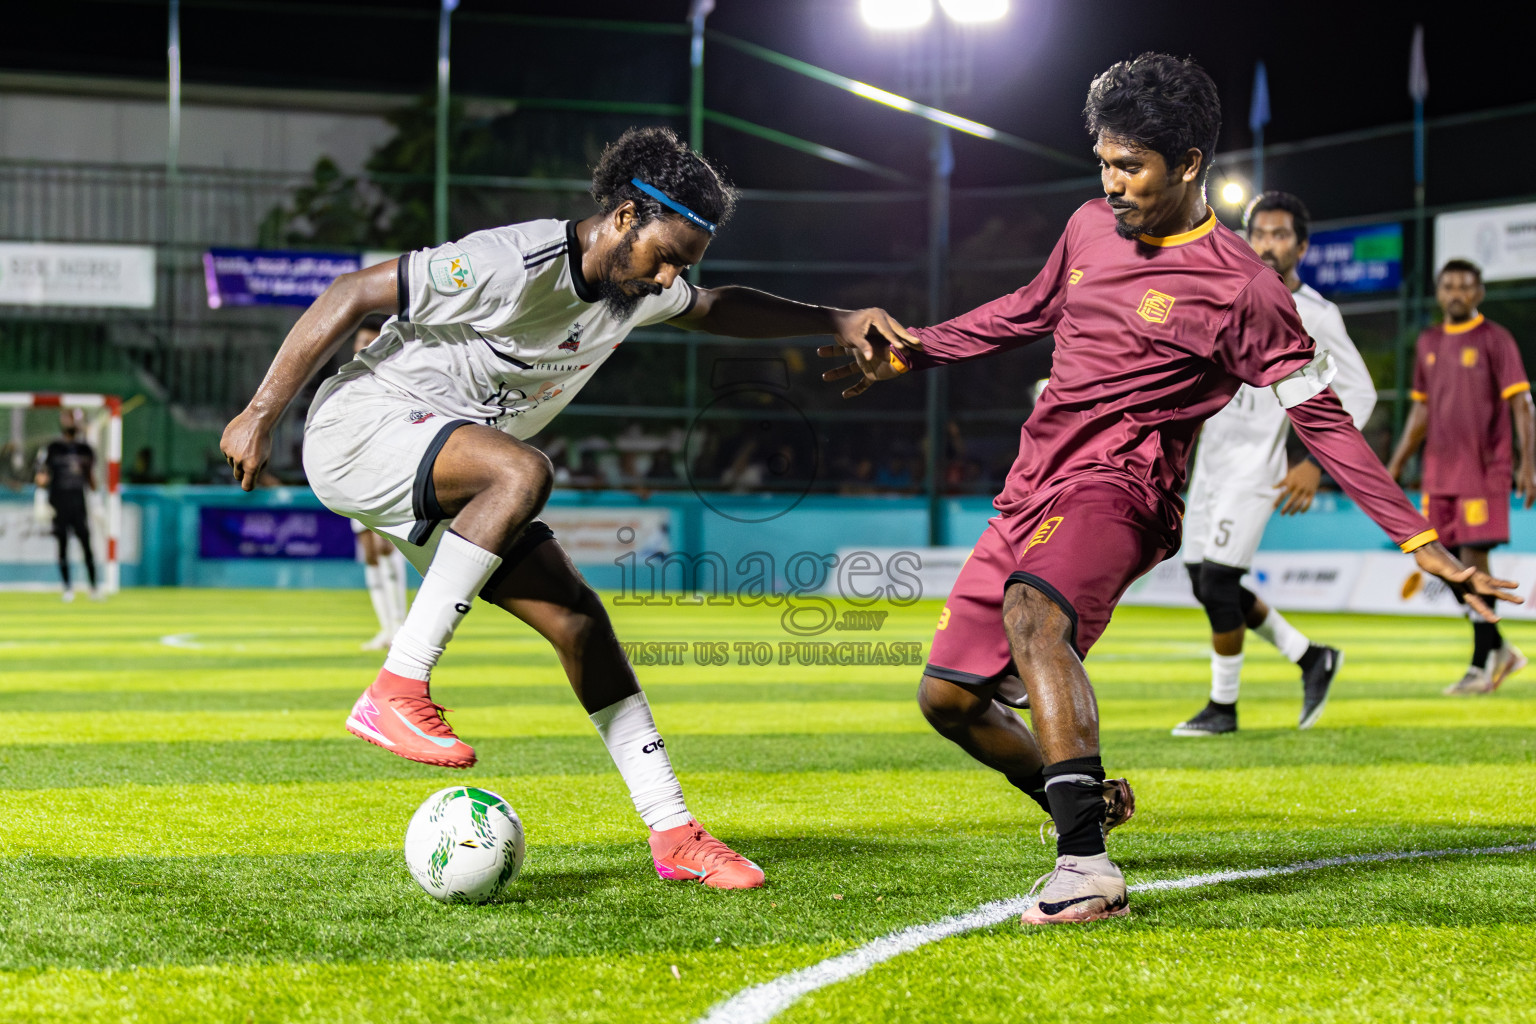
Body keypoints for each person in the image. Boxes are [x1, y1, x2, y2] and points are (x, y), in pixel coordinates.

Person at [821, 53, 1519, 926]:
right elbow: (1027, 311)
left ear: (1189, 164)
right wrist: (918, 347)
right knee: (949, 700)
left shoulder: (1245, 290)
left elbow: (1328, 424)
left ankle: (1087, 869)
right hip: (1035, 481)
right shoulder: (1086, 227)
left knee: (1034, 619)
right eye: (1104, 163)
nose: (1110, 184)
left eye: (1131, 167)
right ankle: (1080, 803)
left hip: (1126, 486)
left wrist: (1422, 543)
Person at [221, 126, 913, 891]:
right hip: (361, 427)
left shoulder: (634, 287)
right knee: (521, 472)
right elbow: (352, 291)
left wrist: (834, 318)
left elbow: (715, 306)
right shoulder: (512, 263)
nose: (670, 278)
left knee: (579, 620)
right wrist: (259, 412)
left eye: (683, 263)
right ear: (624, 219)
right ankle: (396, 689)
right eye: (667, 256)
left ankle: (674, 831)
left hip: (445, 461)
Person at [1172, 191, 1376, 737]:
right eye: (1260, 232)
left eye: (1281, 234)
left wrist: (1313, 461)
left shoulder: (1317, 315)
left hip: (1256, 467)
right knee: (1202, 579)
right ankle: (1311, 657)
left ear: (1302, 247)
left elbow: (1361, 394)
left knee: (1217, 582)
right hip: (1210, 466)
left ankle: (1223, 707)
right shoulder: (1227, 297)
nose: (1268, 243)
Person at [1386, 259, 1535, 695]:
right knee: (1445, 564)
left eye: (1465, 287)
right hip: (1439, 474)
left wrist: (1529, 462)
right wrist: (1395, 464)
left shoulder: (1495, 339)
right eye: (1449, 286)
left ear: (1479, 293)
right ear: (1439, 291)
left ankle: (1480, 665)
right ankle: (1501, 649)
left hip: (1483, 471)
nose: (1456, 294)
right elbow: (1421, 409)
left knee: (1474, 563)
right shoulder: (1429, 342)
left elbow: (1523, 402)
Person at [347, 314, 410, 651]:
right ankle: (386, 629)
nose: (365, 347)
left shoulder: (395, 377)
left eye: (371, 342)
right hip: (356, 473)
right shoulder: (346, 381)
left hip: (389, 471)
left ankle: (400, 627)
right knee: (370, 550)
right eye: (360, 342)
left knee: (387, 545)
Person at [35, 410, 100, 602]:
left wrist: (96, 503)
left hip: (79, 503)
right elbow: (42, 476)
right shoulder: (53, 448)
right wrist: (40, 494)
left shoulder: (85, 449)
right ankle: (67, 587)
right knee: (62, 546)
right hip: (59, 503)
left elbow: (91, 478)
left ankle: (94, 587)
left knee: (86, 546)